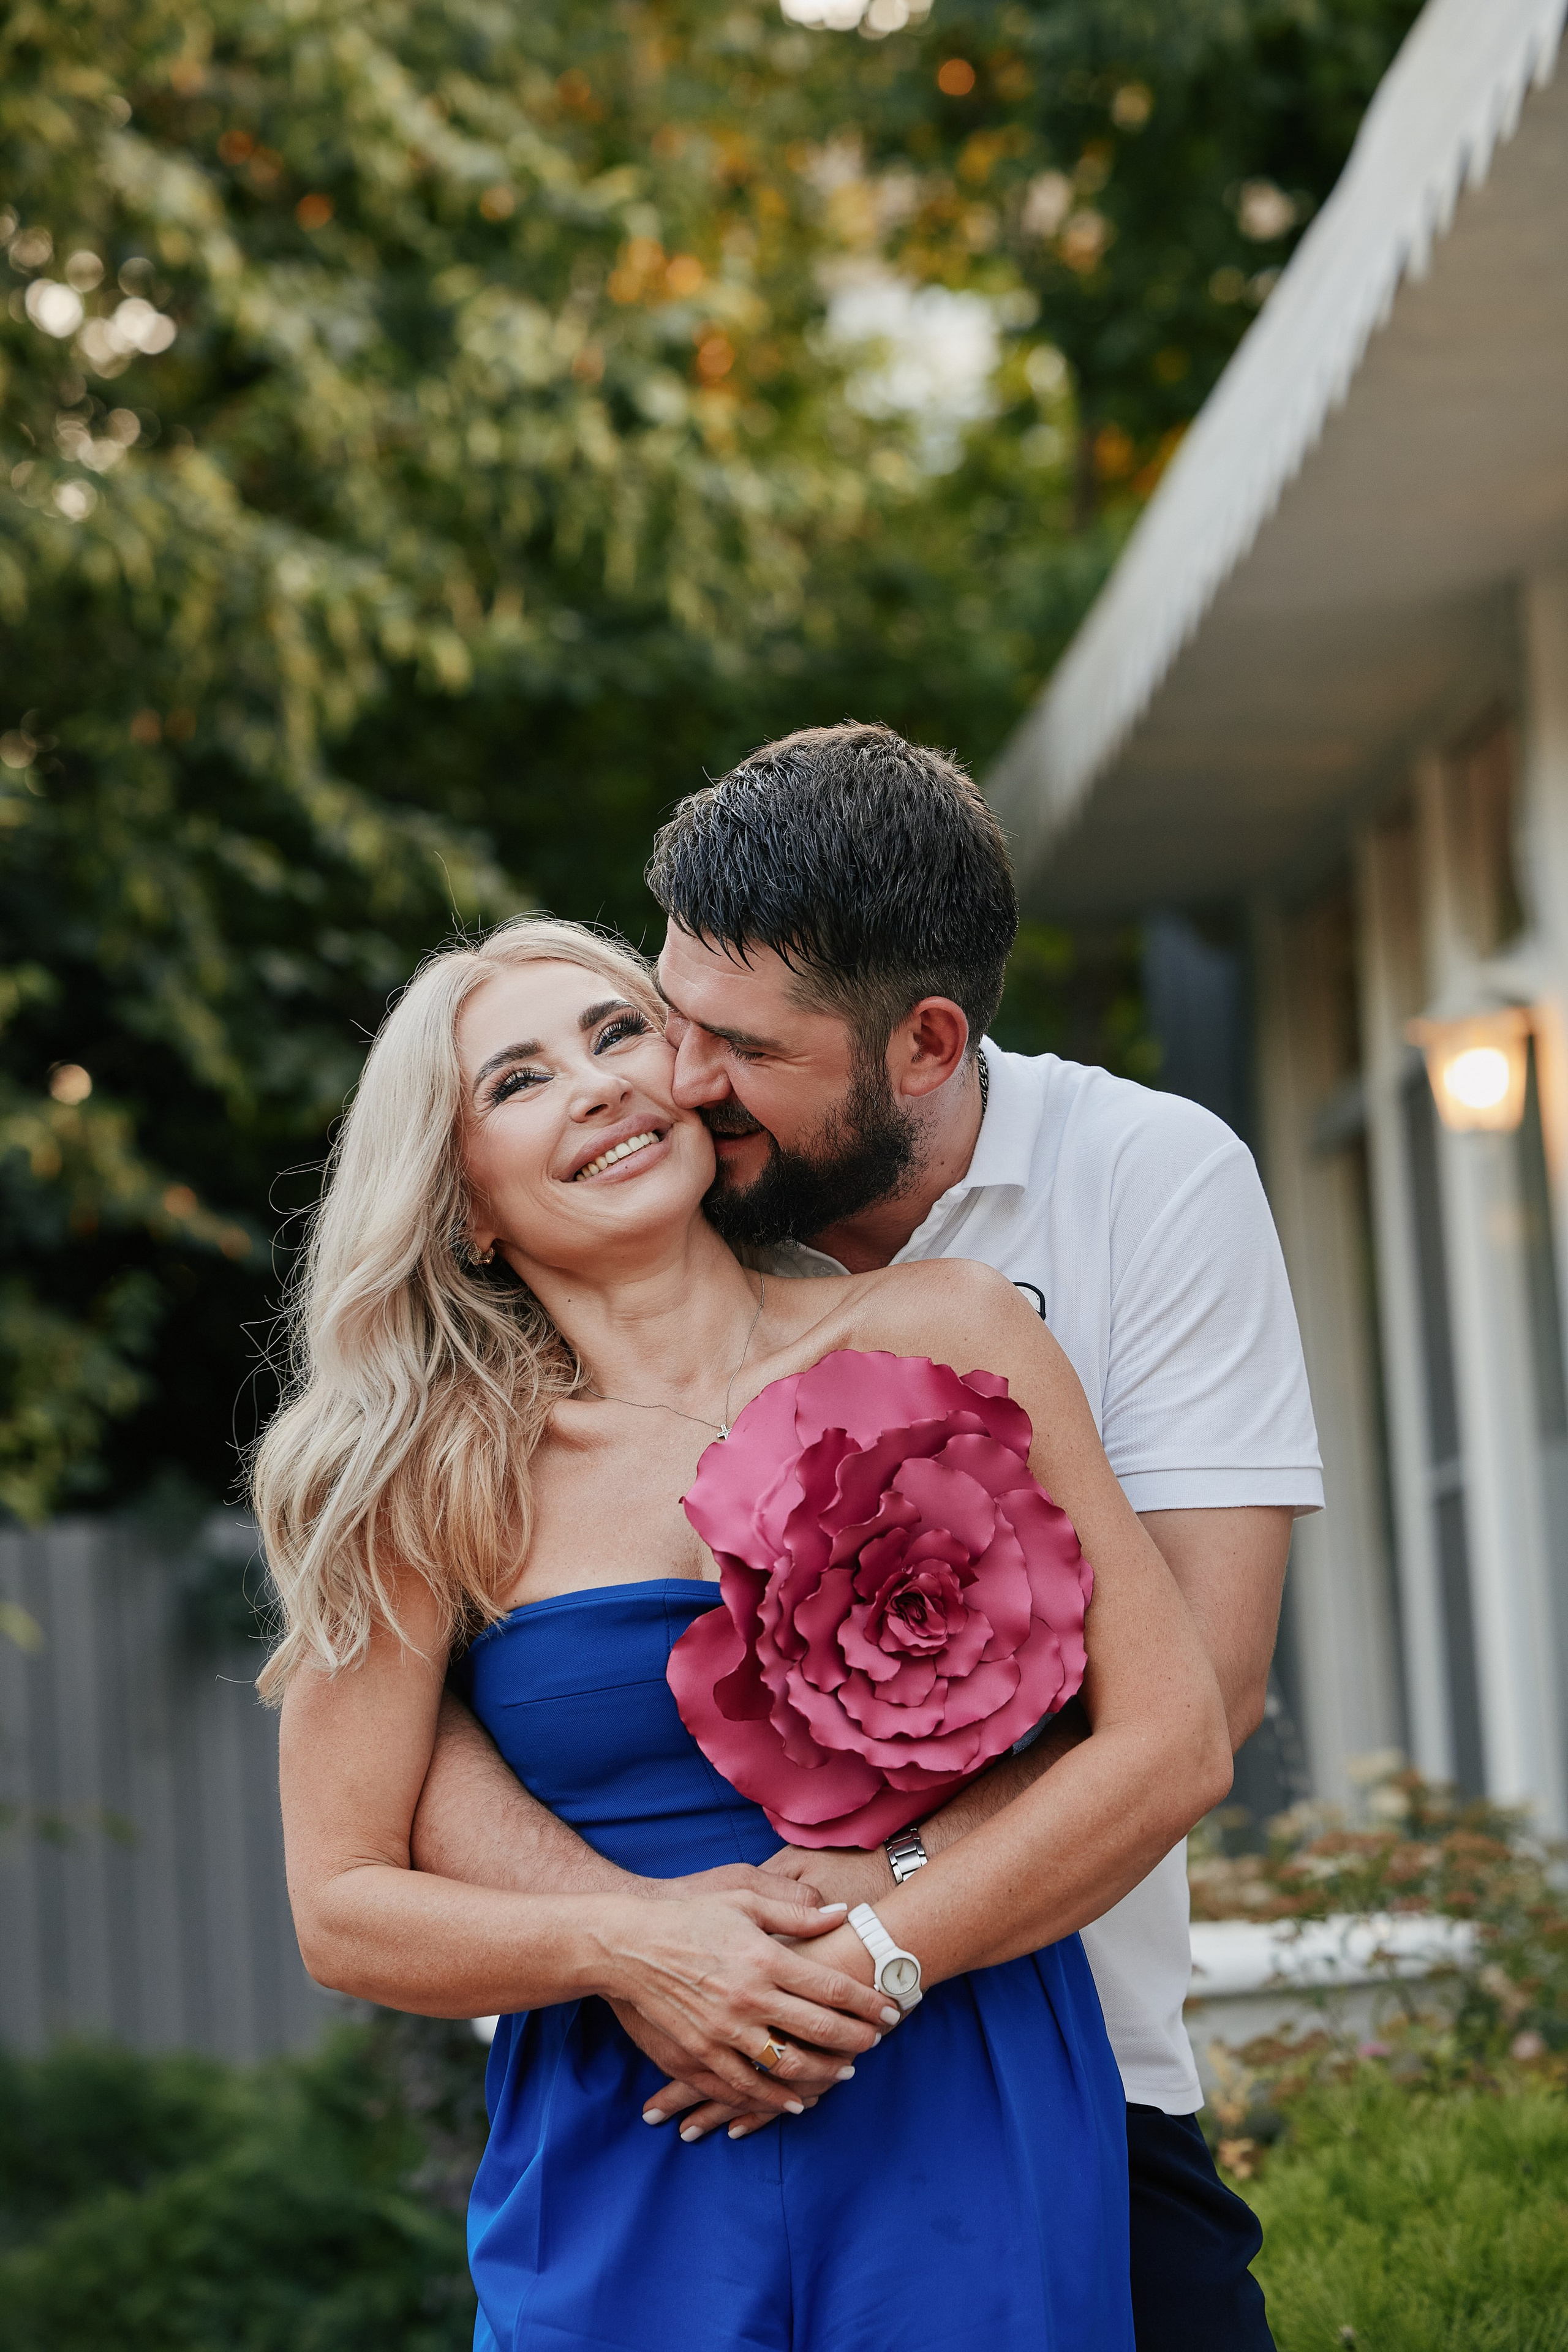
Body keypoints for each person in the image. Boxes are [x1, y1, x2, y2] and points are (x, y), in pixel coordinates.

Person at [410, 725, 1324, 2350]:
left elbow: (1210, 1689)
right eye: (664, 1018)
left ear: (922, 1046)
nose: (673, 1080)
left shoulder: (1135, 1189)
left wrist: (870, 1938)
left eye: (737, 1051)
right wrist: (658, 1953)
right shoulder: (591, 1271)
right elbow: (439, 1718)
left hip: (1060, 2053)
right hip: (653, 2092)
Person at [259, 913, 1234, 2352]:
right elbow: (341, 1903)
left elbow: (1167, 1743)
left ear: (695, 1082)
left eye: (614, 1035)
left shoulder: (949, 1332)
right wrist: (635, 1948)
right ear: (460, 1202)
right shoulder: (424, 1477)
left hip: (958, 2083)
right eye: (515, 1082)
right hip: (632, 2127)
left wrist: (867, 1960)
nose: (593, 1086)